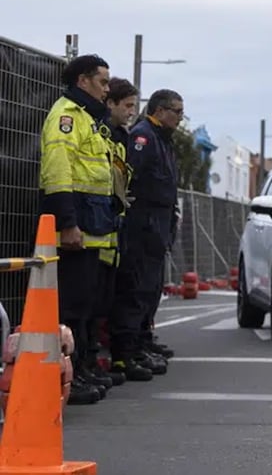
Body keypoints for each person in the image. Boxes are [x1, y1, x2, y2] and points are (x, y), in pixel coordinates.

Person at [39, 54, 116, 405]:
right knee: (70, 307)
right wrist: (68, 224)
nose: (107, 88)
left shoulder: (88, 118)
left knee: (84, 304)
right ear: (83, 81)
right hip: (76, 230)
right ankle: (64, 378)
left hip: (91, 228)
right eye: (102, 81)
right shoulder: (67, 116)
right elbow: (58, 171)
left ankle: (79, 369)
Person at [111, 89, 183, 379]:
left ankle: (141, 341)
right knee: (136, 287)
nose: (179, 118)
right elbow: (132, 179)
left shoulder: (162, 140)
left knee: (150, 288)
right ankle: (125, 353)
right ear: (161, 110)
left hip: (158, 223)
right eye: (176, 111)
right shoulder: (144, 137)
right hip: (144, 224)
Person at [85, 77, 141, 388]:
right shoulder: (103, 133)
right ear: (111, 104)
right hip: (95, 229)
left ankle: (93, 361)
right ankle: (87, 360)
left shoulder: (121, 137)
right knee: (87, 305)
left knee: (102, 303)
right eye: (128, 105)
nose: (133, 112)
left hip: (109, 232)